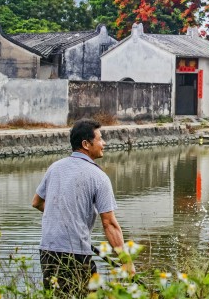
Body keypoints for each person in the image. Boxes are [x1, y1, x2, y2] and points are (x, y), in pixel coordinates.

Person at [32, 119, 135, 295]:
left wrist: (65, 216)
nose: (104, 143)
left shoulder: (55, 168)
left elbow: (37, 203)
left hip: (48, 251)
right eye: (100, 139)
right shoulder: (98, 177)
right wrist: (126, 261)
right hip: (75, 254)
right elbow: (109, 223)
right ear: (86, 144)